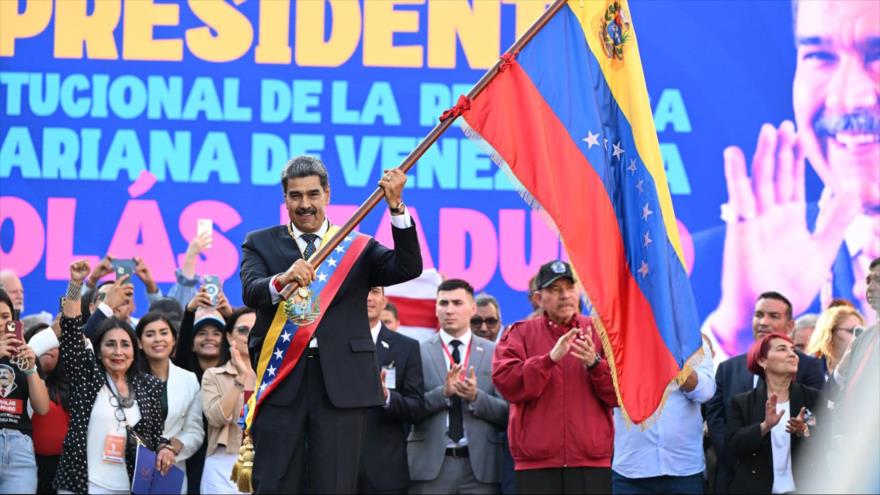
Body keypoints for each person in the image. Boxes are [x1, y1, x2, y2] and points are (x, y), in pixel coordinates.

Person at [697, 0, 880, 359]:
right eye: (821, 57)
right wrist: (737, 336)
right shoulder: (707, 271)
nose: (850, 97)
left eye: (877, 55)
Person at [240, 155, 422, 493]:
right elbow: (252, 291)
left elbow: (407, 267)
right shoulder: (260, 242)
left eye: (313, 194)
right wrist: (281, 280)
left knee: (335, 484)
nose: (305, 204)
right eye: (295, 196)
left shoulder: (356, 246)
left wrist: (396, 207)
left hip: (342, 384)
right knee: (275, 482)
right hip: (282, 379)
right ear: (285, 199)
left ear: (327, 194)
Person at [493, 261, 617, 494]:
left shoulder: (602, 333)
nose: (564, 295)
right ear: (539, 298)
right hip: (536, 465)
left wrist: (594, 364)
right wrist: (548, 360)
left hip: (590, 462)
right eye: (555, 289)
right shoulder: (519, 334)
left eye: (570, 288)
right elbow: (507, 384)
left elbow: (619, 395)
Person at [54, 260, 168, 495]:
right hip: (81, 485)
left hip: (129, 487)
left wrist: (167, 449)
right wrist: (76, 284)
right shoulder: (87, 376)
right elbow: (73, 331)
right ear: (98, 350)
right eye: (110, 345)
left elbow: (156, 436)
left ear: (135, 350)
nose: (118, 352)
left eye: (125, 345)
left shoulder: (150, 386)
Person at [706, 291, 824, 494]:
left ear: (790, 326)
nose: (763, 321)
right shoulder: (727, 369)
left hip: (798, 481)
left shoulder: (809, 368)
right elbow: (717, 421)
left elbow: (820, 419)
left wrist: (804, 429)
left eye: (773, 316)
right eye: (758, 315)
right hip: (739, 478)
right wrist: (735, 460)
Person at [408, 279, 508, 494]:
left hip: (480, 470)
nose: (449, 310)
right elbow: (407, 410)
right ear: (436, 308)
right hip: (430, 469)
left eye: (457, 303)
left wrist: (476, 397)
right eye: (443, 303)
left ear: (472, 308)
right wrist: (442, 394)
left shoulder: (495, 353)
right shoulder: (416, 352)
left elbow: (507, 413)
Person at [612, 339, 715, 495]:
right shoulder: (617, 338)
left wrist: (673, 363)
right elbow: (607, 389)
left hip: (683, 470)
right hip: (632, 471)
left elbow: (706, 392)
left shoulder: (694, 341)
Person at [725, 333, 821, 494]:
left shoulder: (811, 397)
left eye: (793, 350)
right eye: (782, 349)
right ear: (762, 360)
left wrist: (804, 431)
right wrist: (764, 426)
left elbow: (825, 438)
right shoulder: (742, 402)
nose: (792, 354)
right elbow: (733, 444)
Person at [358, 286, 424, 494]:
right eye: (364, 290)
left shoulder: (407, 347)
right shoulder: (330, 343)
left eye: (375, 291)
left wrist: (387, 397)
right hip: (337, 469)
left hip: (385, 472)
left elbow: (417, 408)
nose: (368, 297)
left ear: (384, 301)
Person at [135, 311, 205, 489]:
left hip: (170, 469)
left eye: (164, 333)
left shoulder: (188, 379)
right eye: (150, 334)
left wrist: (171, 449)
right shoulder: (129, 378)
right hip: (132, 466)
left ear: (174, 340)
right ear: (139, 343)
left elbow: (195, 431)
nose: (158, 339)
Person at [200, 307, 255, 494]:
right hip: (224, 464)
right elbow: (216, 418)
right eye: (243, 330)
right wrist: (240, 378)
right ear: (230, 337)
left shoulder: (273, 375)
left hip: (266, 461)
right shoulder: (213, 375)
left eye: (255, 328)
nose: (250, 334)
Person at [0, 288, 49, 493]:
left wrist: (30, 368)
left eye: (5, 316)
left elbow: (42, 408)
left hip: (19, 447)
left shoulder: (25, 352)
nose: (1, 323)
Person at [26, 322, 70, 495]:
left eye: (54, 345)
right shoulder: (16, 383)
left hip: (64, 468)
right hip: (26, 464)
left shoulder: (70, 383)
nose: (49, 348)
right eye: (44, 343)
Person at [806, 306, 864, 379]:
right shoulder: (808, 366)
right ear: (829, 333)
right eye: (851, 331)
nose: (858, 336)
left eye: (861, 331)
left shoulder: (866, 366)